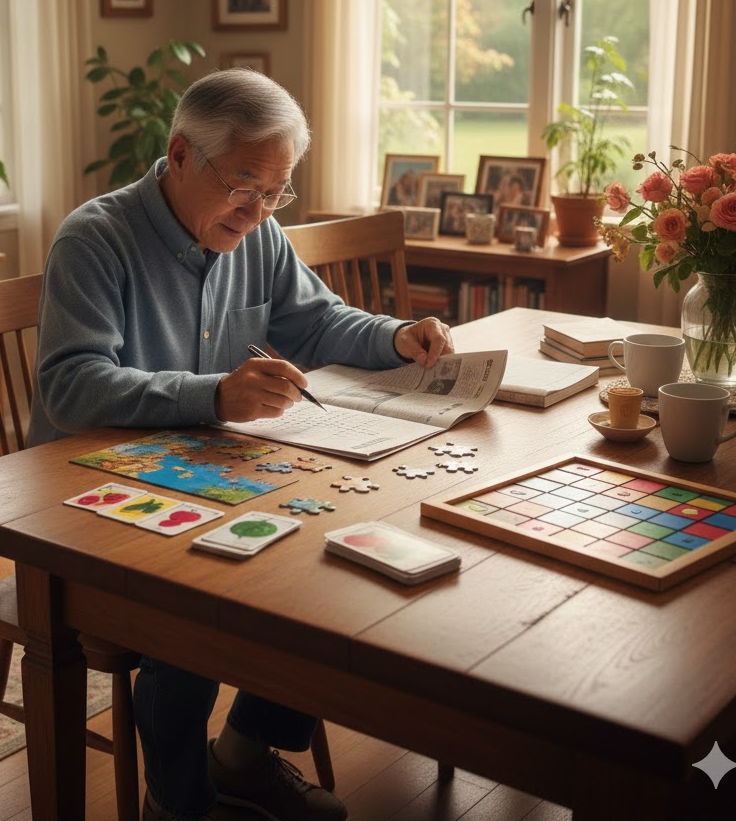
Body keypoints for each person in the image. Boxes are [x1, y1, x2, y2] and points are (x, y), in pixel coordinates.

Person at [28, 68, 453, 821]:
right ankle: (180, 803)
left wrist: (396, 336)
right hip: (89, 498)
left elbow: (318, 322)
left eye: (275, 192)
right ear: (182, 155)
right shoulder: (95, 239)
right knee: (192, 604)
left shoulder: (258, 236)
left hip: (207, 474)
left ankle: (245, 753)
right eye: (245, 186)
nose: (258, 211)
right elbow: (71, 386)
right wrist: (213, 395)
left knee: (332, 559)